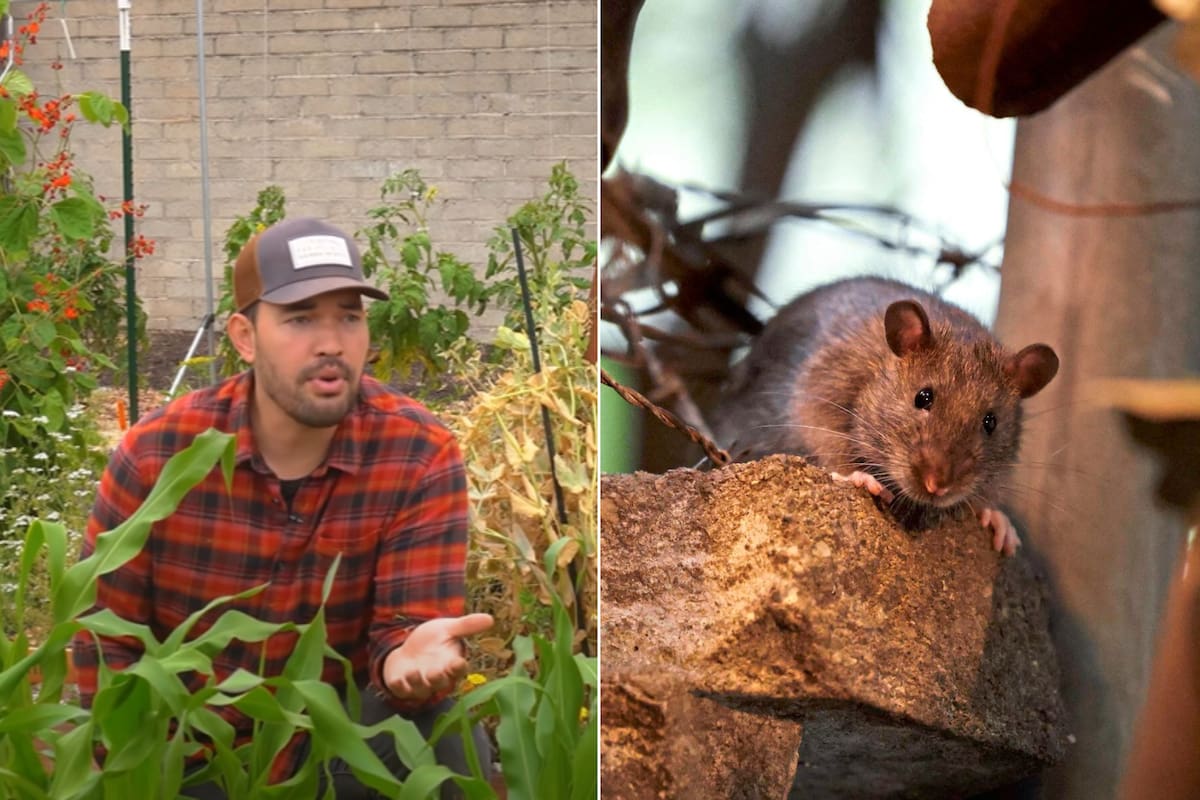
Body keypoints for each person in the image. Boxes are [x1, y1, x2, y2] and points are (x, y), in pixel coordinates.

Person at [72, 216, 495, 798]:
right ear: (245, 337)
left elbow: (405, 630)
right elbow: (104, 641)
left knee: (447, 743)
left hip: (331, 751)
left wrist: (405, 662)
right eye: (300, 319)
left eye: (349, 316)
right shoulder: (157, 454)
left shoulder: (418, 453)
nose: (330, 343)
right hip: (189, 754)